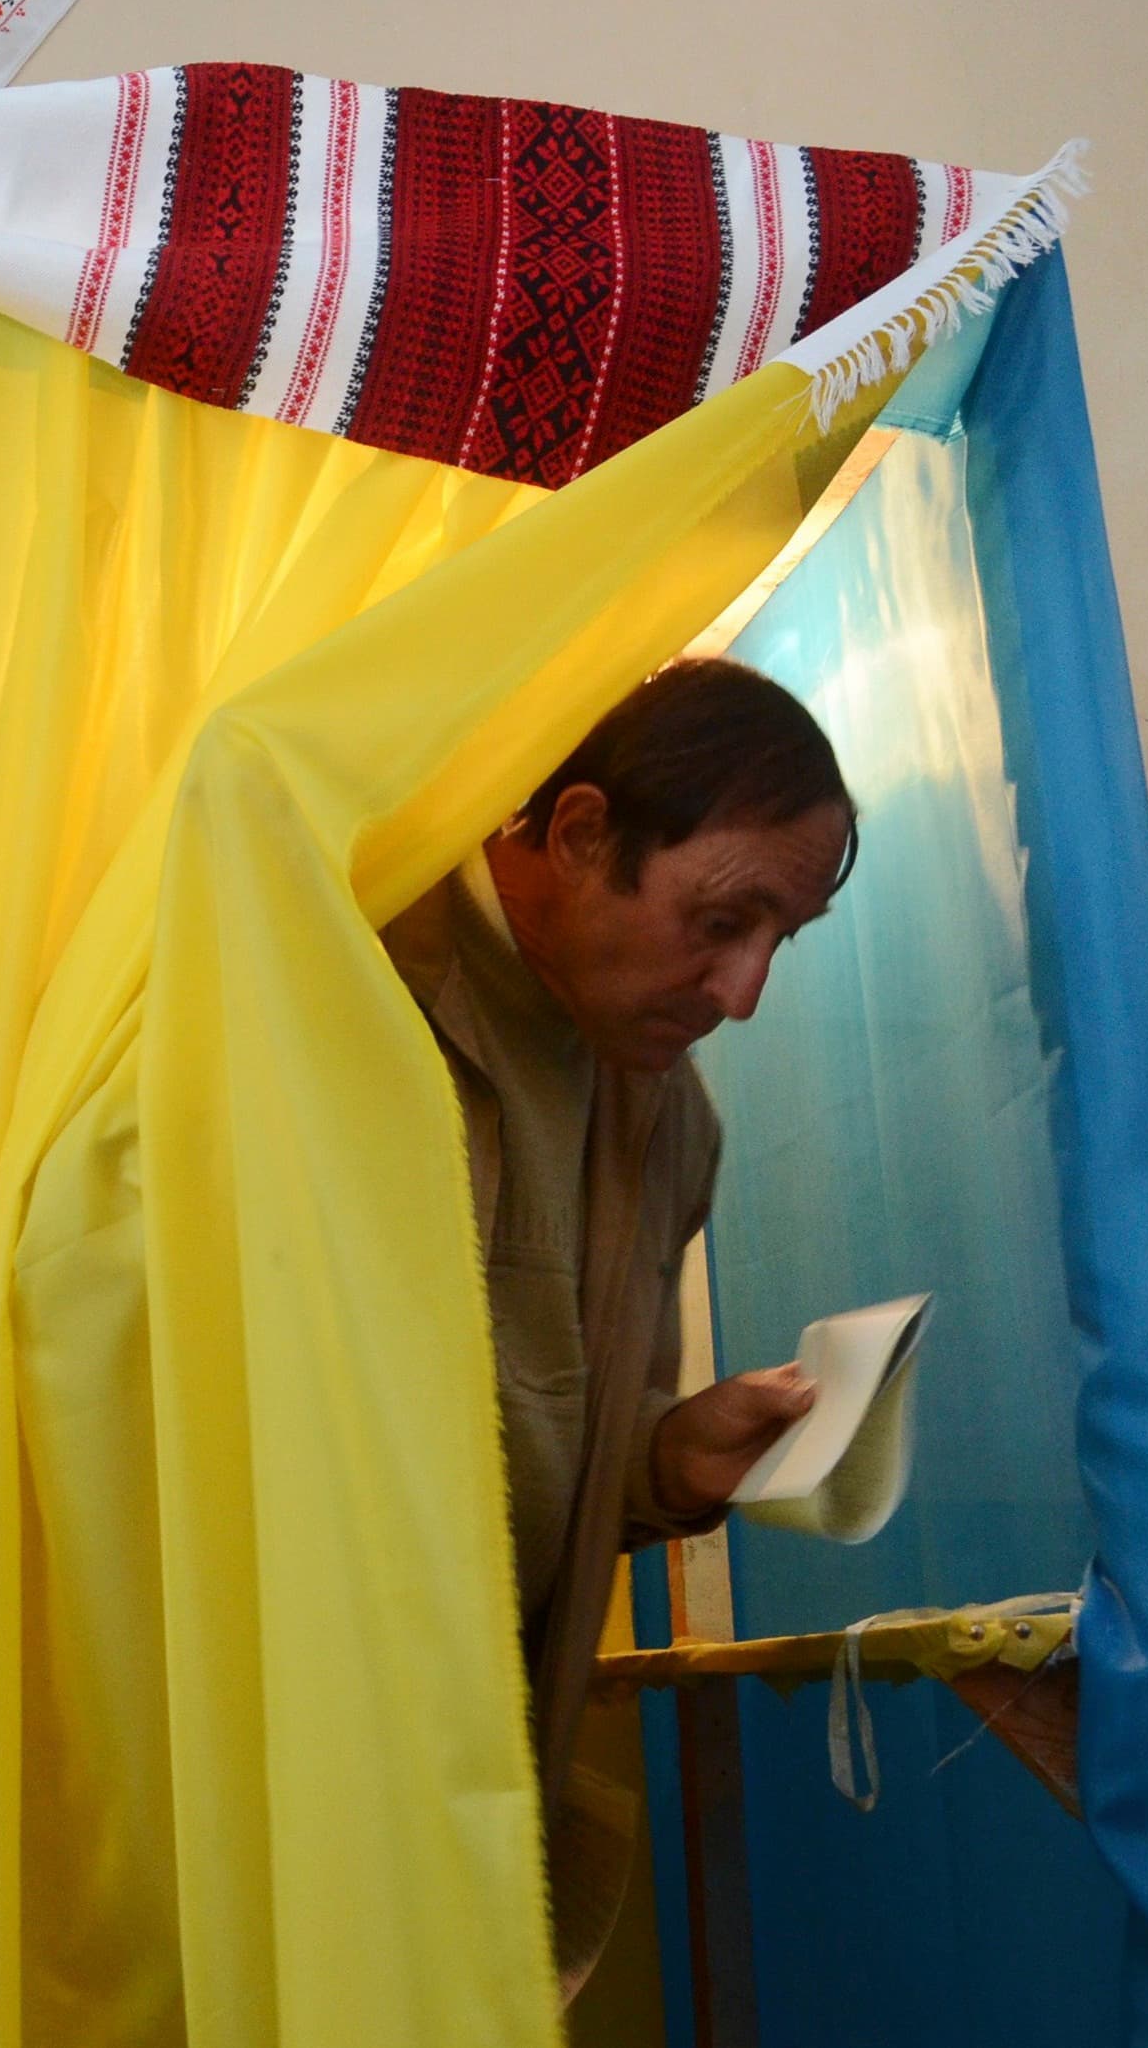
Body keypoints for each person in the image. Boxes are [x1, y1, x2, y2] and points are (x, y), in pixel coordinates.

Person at [378, 655, 851, 1993]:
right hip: (263, 1733)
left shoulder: (670, 1123)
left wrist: (668, 1459)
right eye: (722, 919)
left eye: (779, 939)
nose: (743, 990)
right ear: (579, 832)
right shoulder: (343, 981)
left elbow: (565, 1432)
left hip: (464, 1770)